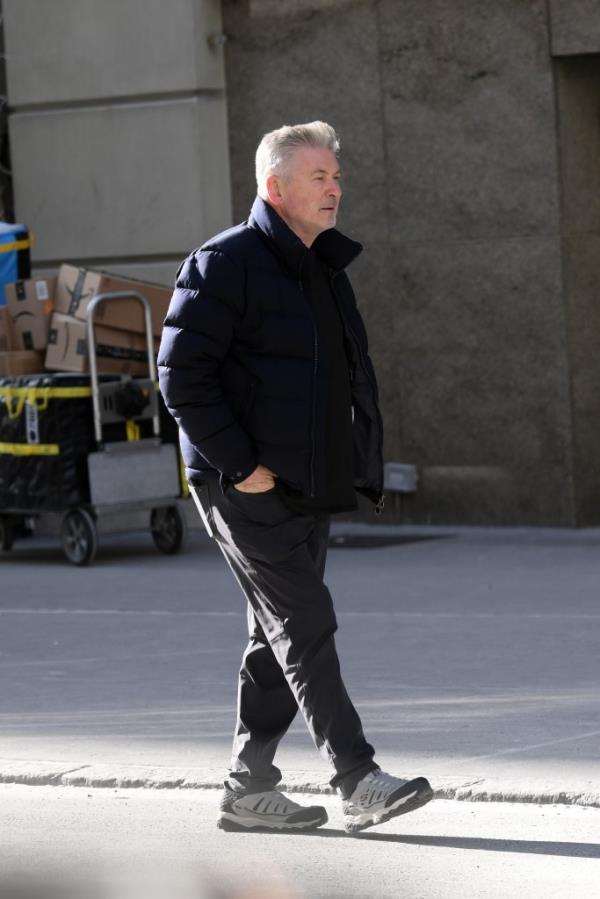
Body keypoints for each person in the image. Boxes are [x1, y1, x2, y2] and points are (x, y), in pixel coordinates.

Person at [158, 121, 432, 835]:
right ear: (275, 187)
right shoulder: (226, 261)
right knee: (305, 619)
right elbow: (179, 374)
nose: (335, 186)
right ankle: (357, 775)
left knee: (276, 632)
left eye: (336, 175)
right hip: (240, 482)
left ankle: (248, 788)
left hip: (310, 481)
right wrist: (241, 465)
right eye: (319, 176)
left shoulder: (322, 267)